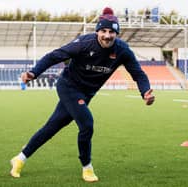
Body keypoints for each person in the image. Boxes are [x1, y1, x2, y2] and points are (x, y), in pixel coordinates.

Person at [10, 7, 155, 182]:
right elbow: (53, 56)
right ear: (97, 31)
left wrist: (145, 91)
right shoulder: (84, 43)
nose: (107, 35)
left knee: (52, 127)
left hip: (87, 93)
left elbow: (138, 73)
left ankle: (20, 158)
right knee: (87, 124)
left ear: (117, 33)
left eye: (112, 32)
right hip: (68, 86)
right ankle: (87, 167)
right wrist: (34, 73)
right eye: (103, 31)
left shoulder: (122, 50)